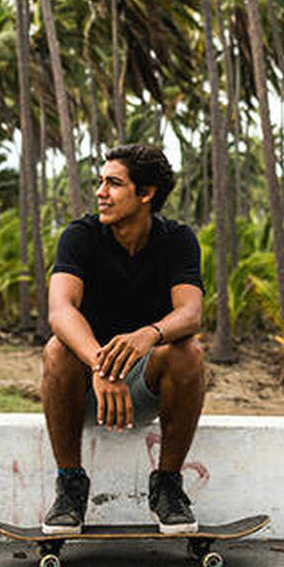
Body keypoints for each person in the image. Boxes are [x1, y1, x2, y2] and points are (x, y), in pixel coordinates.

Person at [41, 143, 205, 535]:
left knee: (189, 353)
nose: (100, 192)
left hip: (146, 386)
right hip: (88, 384)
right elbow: (60, 310)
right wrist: (102, 365)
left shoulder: (178, 240)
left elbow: (191, 313)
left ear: (145, 193)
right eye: (100, 182)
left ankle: (168, 487)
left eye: (113, 184)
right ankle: (70, 488)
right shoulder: (80, 236)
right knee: (57, 349)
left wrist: (149, 335)